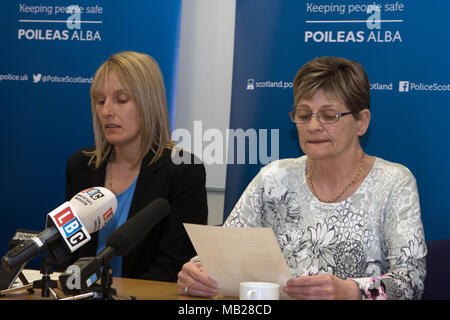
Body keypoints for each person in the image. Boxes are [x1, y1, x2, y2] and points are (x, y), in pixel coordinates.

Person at [177, 56, 426, 299]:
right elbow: (221, 253)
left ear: (362, 121)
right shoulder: (274, 178)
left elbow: (411, 282)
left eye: (329, 115)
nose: (313, 126)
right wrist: (195, 271)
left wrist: (349, 292)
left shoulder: (394, 183)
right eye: (304, 115)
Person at [65, 51, 208, 282]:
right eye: (100, 101)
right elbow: (70, 252)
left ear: (149, 103)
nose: (106, 111)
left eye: (121, 100)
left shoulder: (183, 170)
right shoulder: (81, 165)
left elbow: (175, 265)